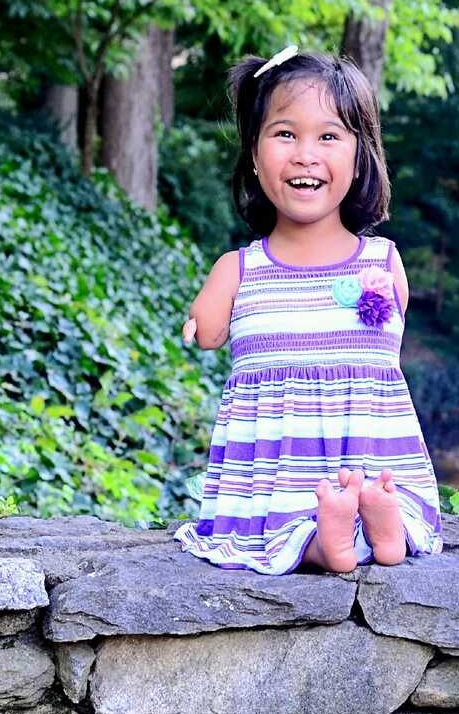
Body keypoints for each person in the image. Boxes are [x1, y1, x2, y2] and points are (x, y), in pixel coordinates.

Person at [175, 47, 444, 574]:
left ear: (359, 154)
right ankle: (336, 537)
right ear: (254, 154)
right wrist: (200, 315)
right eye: (284, 134)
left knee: (371, 498)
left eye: (328, 136)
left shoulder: (383, 262)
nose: (305, 154)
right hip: (277, 478)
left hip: (370, 458)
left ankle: (381, 521)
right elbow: (208, 332)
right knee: (297, 534)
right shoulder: (240, 269)